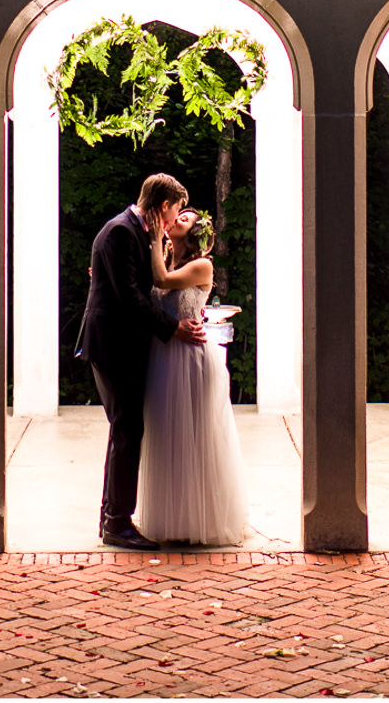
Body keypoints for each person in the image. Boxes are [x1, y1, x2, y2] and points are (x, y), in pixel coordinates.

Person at [71, 174, 205, 552]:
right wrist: (172, 328)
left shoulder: (136, 233)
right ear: (164, 206)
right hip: (113, 345)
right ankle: (117, 524)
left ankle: (110, 516)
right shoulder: (120, 232)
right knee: (128, 430)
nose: (178, 215)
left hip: (121, 344)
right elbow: (130, 297)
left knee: (124, 430)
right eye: (177, 208)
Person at [134, 205, 252, 546]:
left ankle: (204, 519)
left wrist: (155, 237)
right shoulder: (167, 258)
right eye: (177, 216)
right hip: (163, 355)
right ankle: (176, 519)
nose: (176, 219)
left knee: (196, 438)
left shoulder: (201, 265)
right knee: (169, 437)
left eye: (184, 219)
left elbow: (162, 282)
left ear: (197, 233)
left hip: (191, 358)